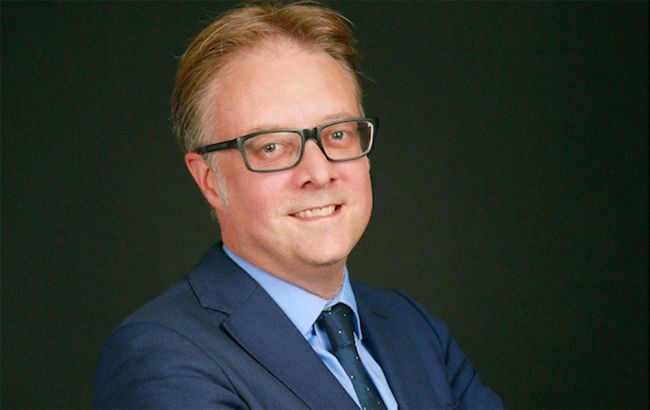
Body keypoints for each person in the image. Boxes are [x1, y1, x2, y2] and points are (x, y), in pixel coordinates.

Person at [94, 2, 503, 409]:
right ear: (209, 181)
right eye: (272, 146)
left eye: (338, 134)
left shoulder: (412, 327)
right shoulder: (160, 357)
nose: (319, 172)